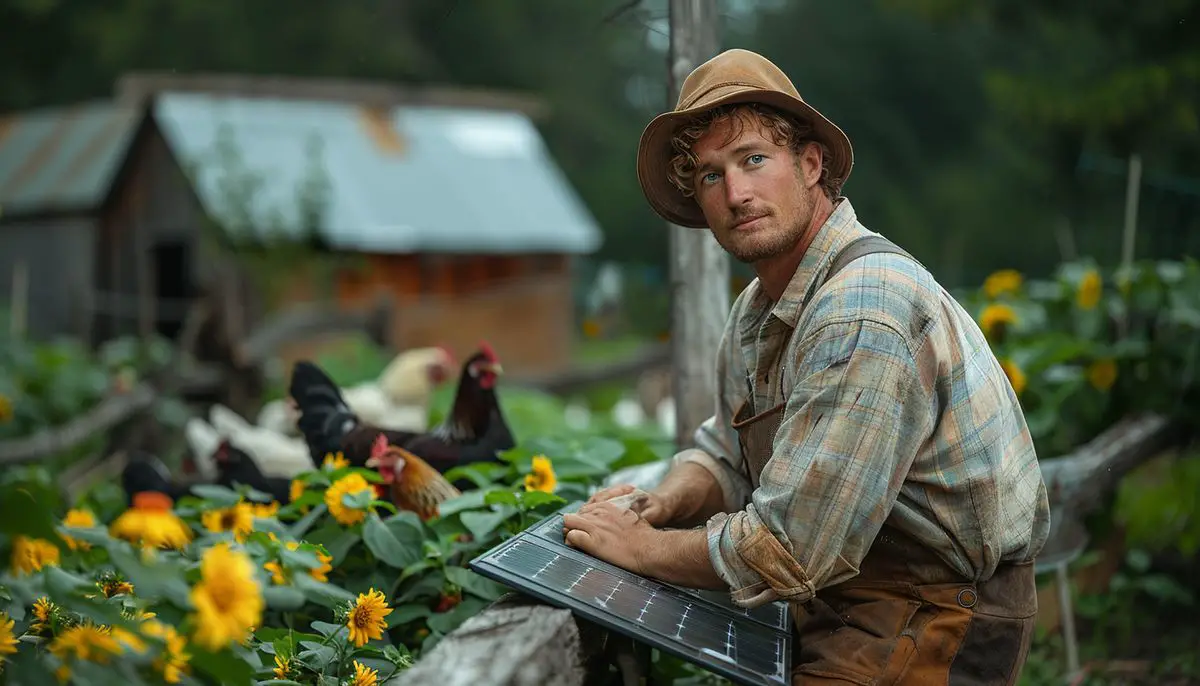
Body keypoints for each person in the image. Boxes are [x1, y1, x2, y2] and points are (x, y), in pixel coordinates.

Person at [561, 48, 1052, 685]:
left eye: (753, 160)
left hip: (937, 610)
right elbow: (726, 454)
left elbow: (790, 547)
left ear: (811, 164)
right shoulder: (757, 311)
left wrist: (641, 550)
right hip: (840, 600)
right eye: (711, 175)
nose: (736, 193)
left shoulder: (864, 307)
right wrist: (661, 502)